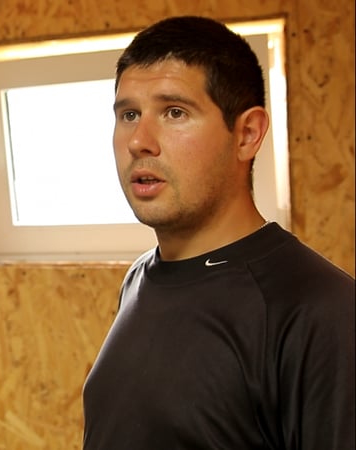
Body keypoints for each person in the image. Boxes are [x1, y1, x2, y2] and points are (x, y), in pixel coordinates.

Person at [82, 15, 355, 450]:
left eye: (174, 112)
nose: (139, 141)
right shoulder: (140, 278)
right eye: (129, 114)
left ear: (247, 134)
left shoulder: (322, 311)